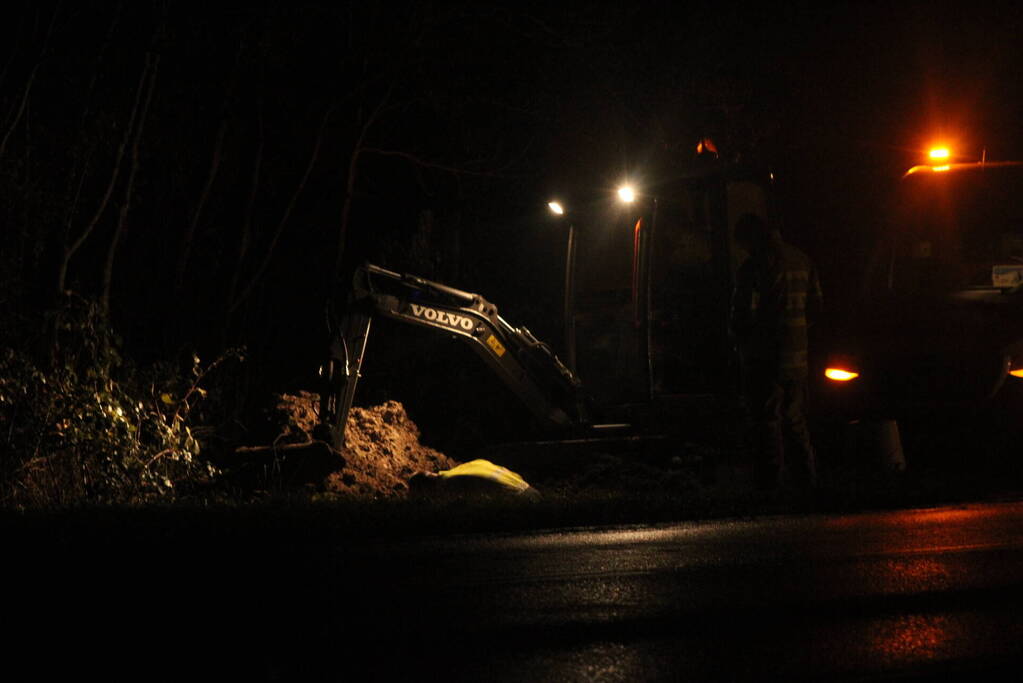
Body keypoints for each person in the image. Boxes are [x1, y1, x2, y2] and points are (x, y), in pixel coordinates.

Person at [731, 213, 823, 493]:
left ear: (751, 238)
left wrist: (742, 343)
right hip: (798, 359)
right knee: (795, 421)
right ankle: (807, 483)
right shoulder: (802, 260)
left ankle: (770, 486)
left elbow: (741, 314)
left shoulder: (754, 267)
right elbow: (816, 307)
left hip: (765, 359)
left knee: (767, 422)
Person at [408, 459, 541, 499]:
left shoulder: (452, 486)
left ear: (426, 490)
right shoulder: (464, 468)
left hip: (523, 501)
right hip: (531, 490)